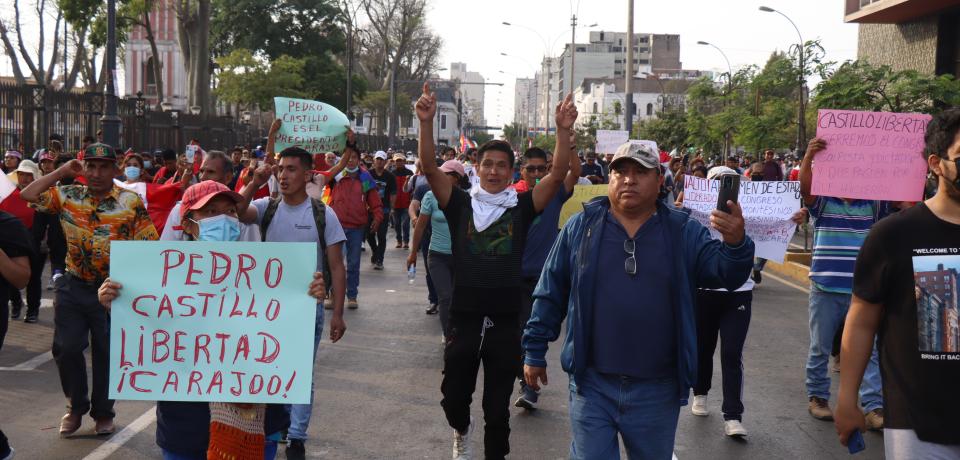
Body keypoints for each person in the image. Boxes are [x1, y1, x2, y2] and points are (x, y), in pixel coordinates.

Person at [522, 142, 753, 459]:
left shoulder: (683, 231)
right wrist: (534, 349)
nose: (629, 180)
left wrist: (737, 242)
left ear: (659, 181)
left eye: (640, 172)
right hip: (592, 385)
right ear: (611, 178)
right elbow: (551, 291)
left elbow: (726, 274)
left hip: (657, 390)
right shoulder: (582, 227)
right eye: (621, 171)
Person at [98, 180, 329, 460]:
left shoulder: (269, 274)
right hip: (184, 418)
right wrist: (116, 307)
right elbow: (142, 339)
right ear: (187, 223)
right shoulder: (159, 278)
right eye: (209, 212)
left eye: (230, 211)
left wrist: (306, 298)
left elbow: (285, 339)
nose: (223, 218)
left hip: (254, 416)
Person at [416, 81, 575, 460]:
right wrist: (425, 122)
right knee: (454, 398)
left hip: (505, 322)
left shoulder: (521, 206)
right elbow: (427, 166)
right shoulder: (458, 204)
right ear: (477, 167)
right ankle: (460, 429)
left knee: (496, 410)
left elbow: (557, 175)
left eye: (501, 165)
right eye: (487, 163)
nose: (493, 170)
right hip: (464, 319)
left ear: (511, 171)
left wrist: (563, 131)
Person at [834, 107, 960, 458]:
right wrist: (847, 399)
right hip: (916, 424)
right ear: (936, 163)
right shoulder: (894, 234)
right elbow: (861, 320)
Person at [20, 143, 159, 437]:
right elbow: (27, 195)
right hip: (73, 285)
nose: (96, 173)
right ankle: (76, 407)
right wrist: (60, 171)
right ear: (83, 168)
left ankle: (104, 412)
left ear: (115, 169)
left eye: (103, 167)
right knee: (66, 348)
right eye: (91, 166)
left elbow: (150, 245)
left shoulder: (130, 202)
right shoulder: (68, 195)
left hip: (112, 290)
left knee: (107, 352)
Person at [236, 146, 349, 460]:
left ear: (308, 174)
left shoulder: (322, 214)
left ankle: (296, 436)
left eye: (291, 169)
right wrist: (253, 181)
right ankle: (278, 423)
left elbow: (337, 266)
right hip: (267, 308)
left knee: (300, 372)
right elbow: (237, 212)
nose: (283, 176)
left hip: (305, 307)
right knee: (269, 366)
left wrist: (337, 313)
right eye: (280, 169)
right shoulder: (266, 207)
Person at [683, 166, 806, 438]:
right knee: (703, 348)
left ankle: (733, 415)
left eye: (729, 185)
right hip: (703, 291)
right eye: (716, 184)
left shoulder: (746, 212)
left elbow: (772, 222)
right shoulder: (692, 215)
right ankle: (700, 392)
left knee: (731, 353)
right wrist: (682, 209)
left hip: (738, 292)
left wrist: (792, 218)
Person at [799, 137, 887, 429]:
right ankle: (818, 397)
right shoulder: (823, 203)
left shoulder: (872, 205)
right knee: (820, 347)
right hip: (825, 287)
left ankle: (874, 406)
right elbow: (806, 188)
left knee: (871, 350)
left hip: (861, 292)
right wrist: (810, 155)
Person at [513, 144, 580, 411]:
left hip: (546, 281)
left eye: (543, 169)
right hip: (514, 279)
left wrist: (570, 145)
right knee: (518, 333)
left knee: (534, 331)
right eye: (531, 169)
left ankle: (529, 385)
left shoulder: (554, 195)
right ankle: (526, 381)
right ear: (522, 171)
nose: (537, 173)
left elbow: (574, 172)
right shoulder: (510, 198)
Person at [406, 160, 467, 339]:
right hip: (437, 255)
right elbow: (420, 226)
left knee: (459, 298)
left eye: (445, 174)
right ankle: (448, 335)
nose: (440, 177)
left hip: (461, 257)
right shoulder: (430, 196)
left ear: (456, 178)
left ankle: (458, 330)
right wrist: (412, 253)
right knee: (445, 297)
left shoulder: (467, 198)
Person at [160, 150, 260, 242]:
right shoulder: (180, 210)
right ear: (187, 225)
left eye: (211, 172)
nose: (203, 177)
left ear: (228, 177)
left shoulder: (243, 217)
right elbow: (166, 253)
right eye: (202, 171)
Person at [326, 147, 382, 309]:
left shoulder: (364, 177)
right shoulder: (336, 175)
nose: (350, 160)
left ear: (359, 160)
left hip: (357, 228)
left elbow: (374, 200)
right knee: (335, 263)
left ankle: (352, 296)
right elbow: (318, 175)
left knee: (353, 263)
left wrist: (378, 217)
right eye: (347, 157)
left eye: (354, 158)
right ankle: (333, 295)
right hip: (336, 227)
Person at [3, 160, 39, 322]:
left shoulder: (43, 195)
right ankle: (16, 303)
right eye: (21, 174)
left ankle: (32, 310)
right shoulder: (8, 195)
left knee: (34, 278)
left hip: (37, 242)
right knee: (10, 276)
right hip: (13, 245)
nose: (24, 178)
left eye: (28, 175)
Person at [367, 151, 396, 270]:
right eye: (377, 159)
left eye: (382, 159)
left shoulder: (390, 176)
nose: (379, 161)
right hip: (369, 209)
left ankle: (380, 260)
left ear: (385, 161)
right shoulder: (368, 174)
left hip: (384, 209)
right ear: (374, 160)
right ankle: (375, 251)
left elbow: (393, 193)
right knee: (369, 234)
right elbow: (363, 190)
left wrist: (392, 208)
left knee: (382, 235)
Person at [392, 153, 413, 249]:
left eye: (400, 160)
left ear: (404, 161)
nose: (399, 162)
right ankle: (399, 240)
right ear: (394, 162)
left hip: (406, 203)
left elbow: (412, 188)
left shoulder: (409, 173)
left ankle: (406, 241)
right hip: (395, 203)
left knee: (405, 224)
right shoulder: (392, 174)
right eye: (397, 161)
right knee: (396, 224)